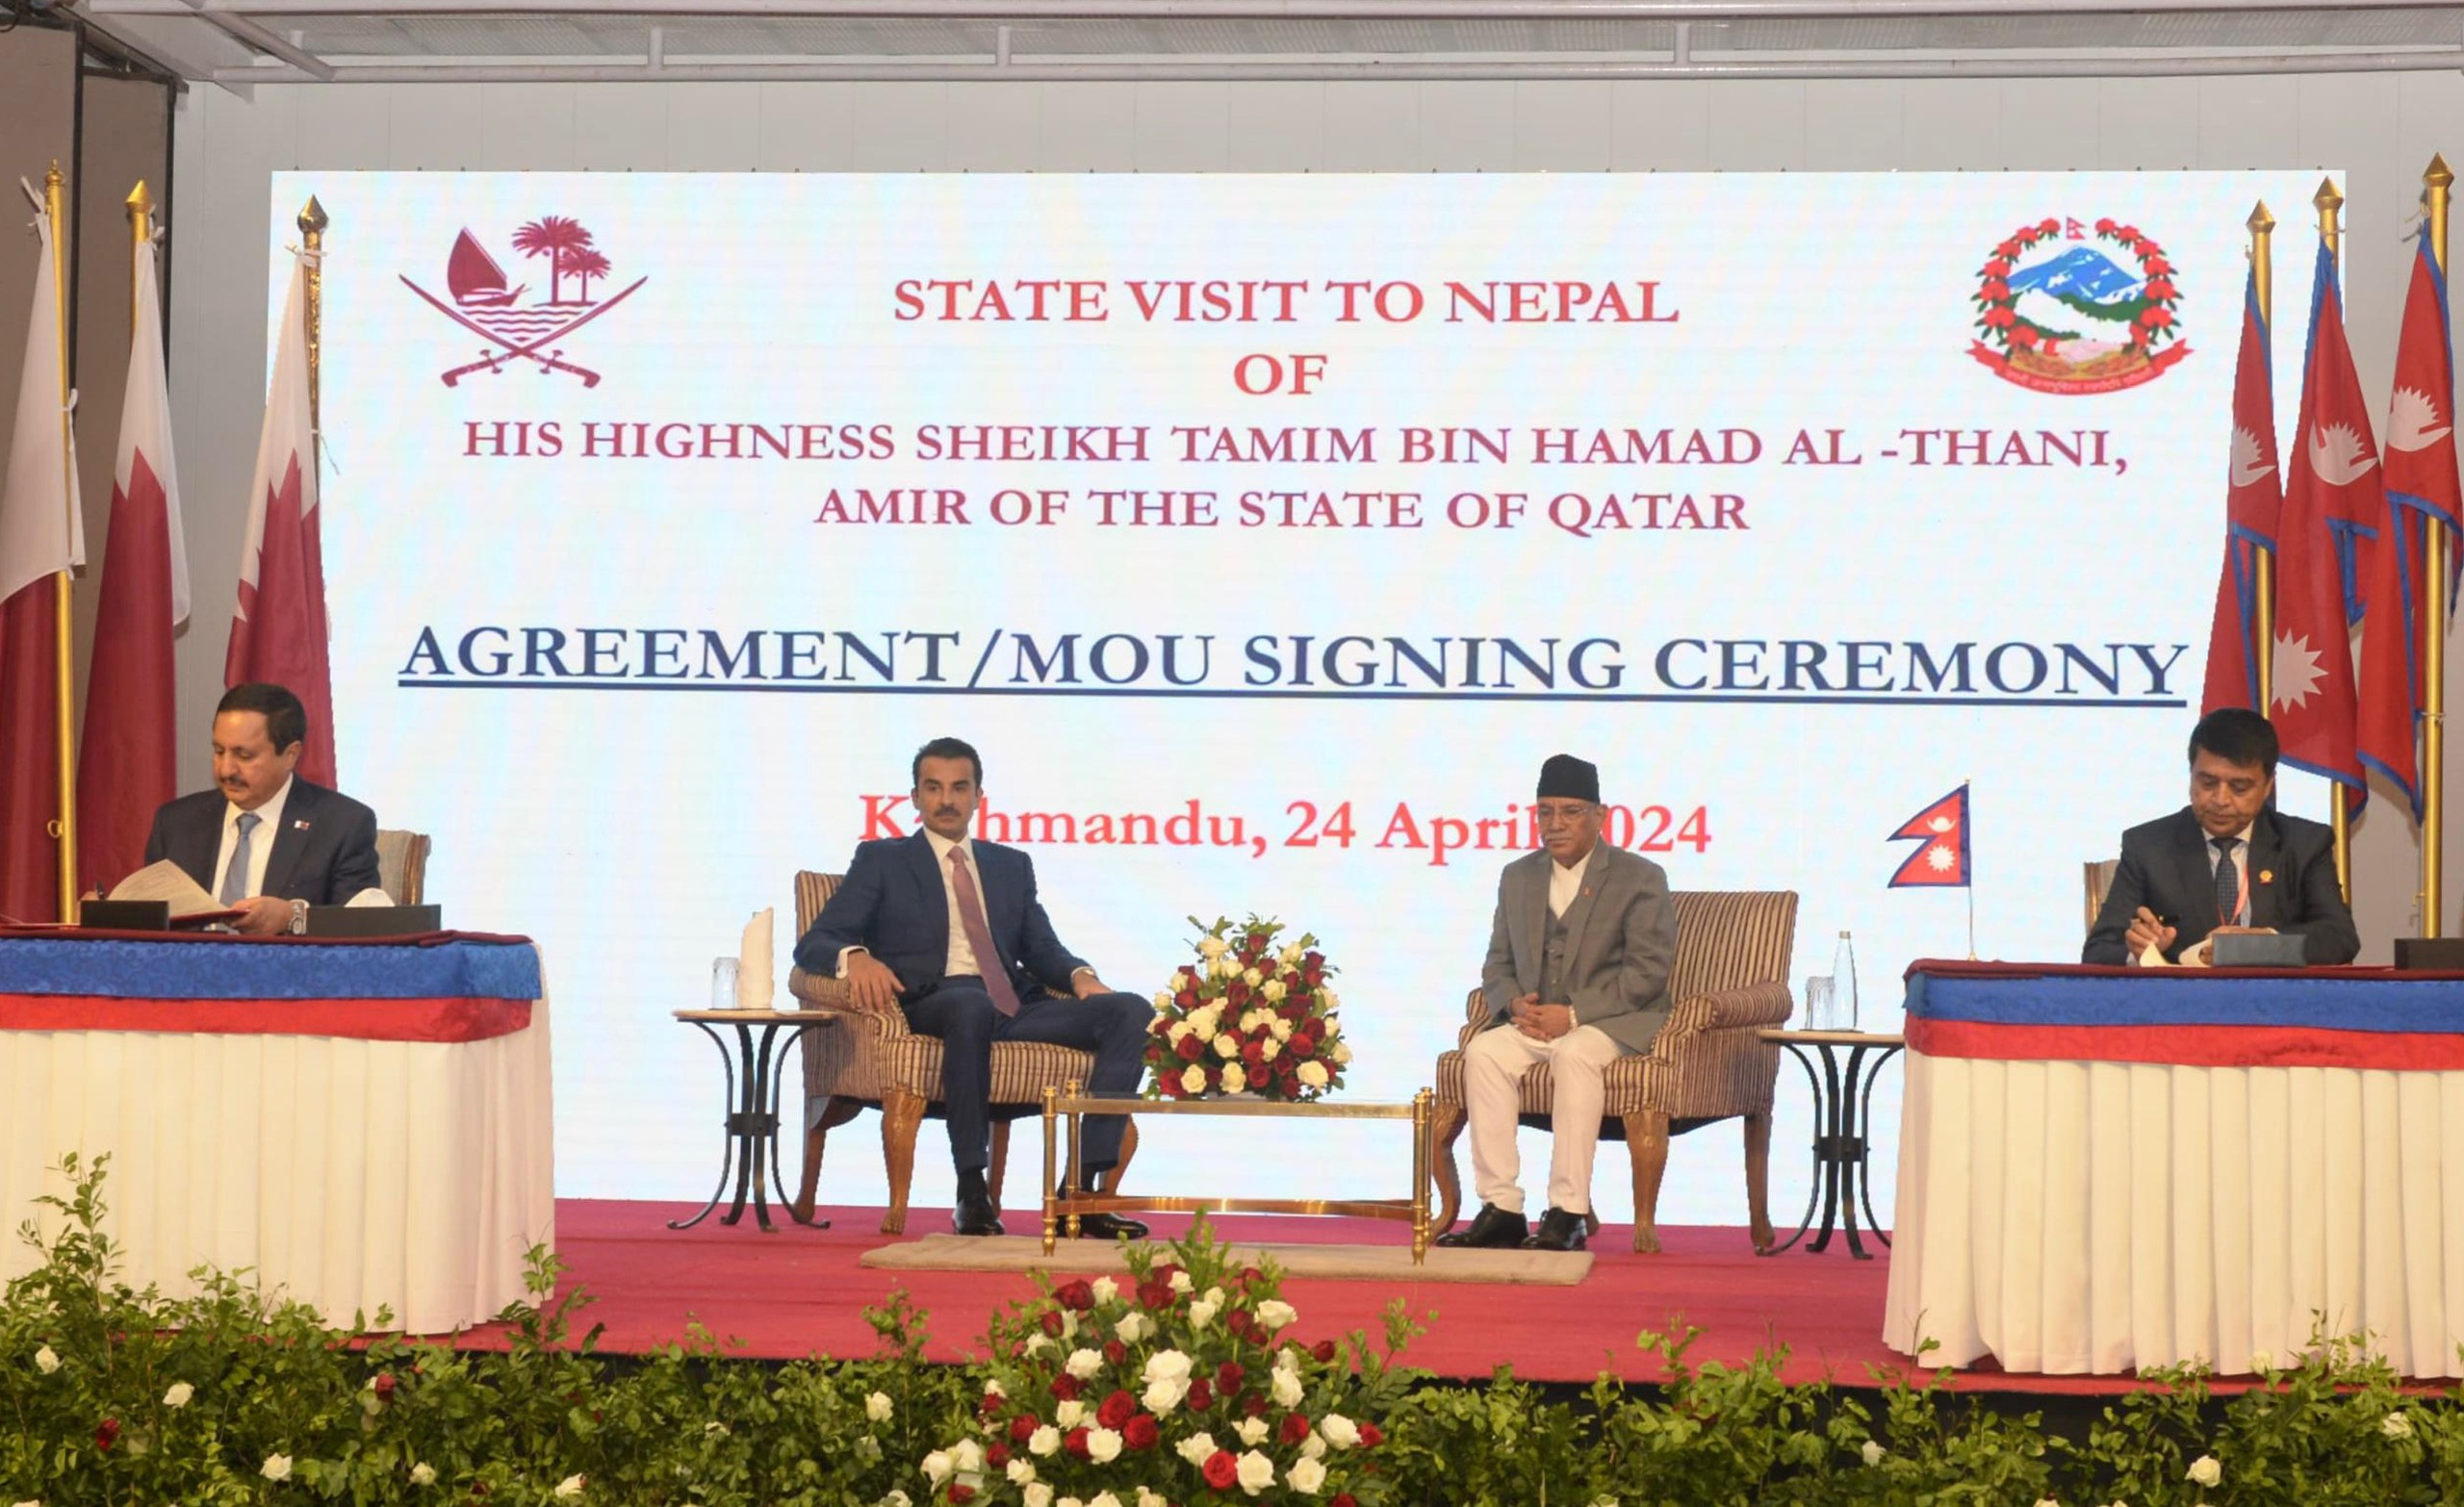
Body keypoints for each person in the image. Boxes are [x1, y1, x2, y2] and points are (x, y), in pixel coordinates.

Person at [793, 737, 1153, 1239]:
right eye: (933, 788)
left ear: (979, 797)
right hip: (934, 1001)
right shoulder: (882, 860)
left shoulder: (1010, 865)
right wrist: (855, 957)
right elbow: (816, 941)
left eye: (959, 788)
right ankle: (971, 1190)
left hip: (1014, 1006)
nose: (947, 800)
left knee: (1131, 1011)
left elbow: (1042, 948)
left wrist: (1080, 976)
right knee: (969, 1004)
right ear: (914, 797)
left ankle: (1082, 1193)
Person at [1437, 754, 1680, 1254]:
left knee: (1575, 1053)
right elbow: (1497, 963)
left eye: (1571, 811)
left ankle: (1567, 1212)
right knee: (1484, 1053)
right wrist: (1513, 1005)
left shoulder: (1639, 877)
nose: (1555, 823)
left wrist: (1572, 1015)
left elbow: (1648, 973)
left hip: (1613, 1022)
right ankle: (1501, 1209)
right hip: (1535, 1022)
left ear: (1600, 815)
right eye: (1545, 811)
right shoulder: (1518, 876)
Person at [2083, 708, 2359, 966]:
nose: (2220, 799)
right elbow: (2098, 950)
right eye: (2207, 783)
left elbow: (2339, 938)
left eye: (2239, 787)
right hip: (2184, 999)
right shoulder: (2148, 846)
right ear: (2191, 775)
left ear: (2268, 786)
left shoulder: (2304, 843)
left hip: (2275, 998)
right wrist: (2141, 951)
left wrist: (2261, 945)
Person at [140, 683, 384, 937]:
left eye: (244, 756)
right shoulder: (176, 822)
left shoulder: (342, 824)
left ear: (290, 755)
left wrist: (292, 917)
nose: (226, 769)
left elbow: (361, 926)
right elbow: (150, 921)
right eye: (219, 751)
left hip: (286, 963)